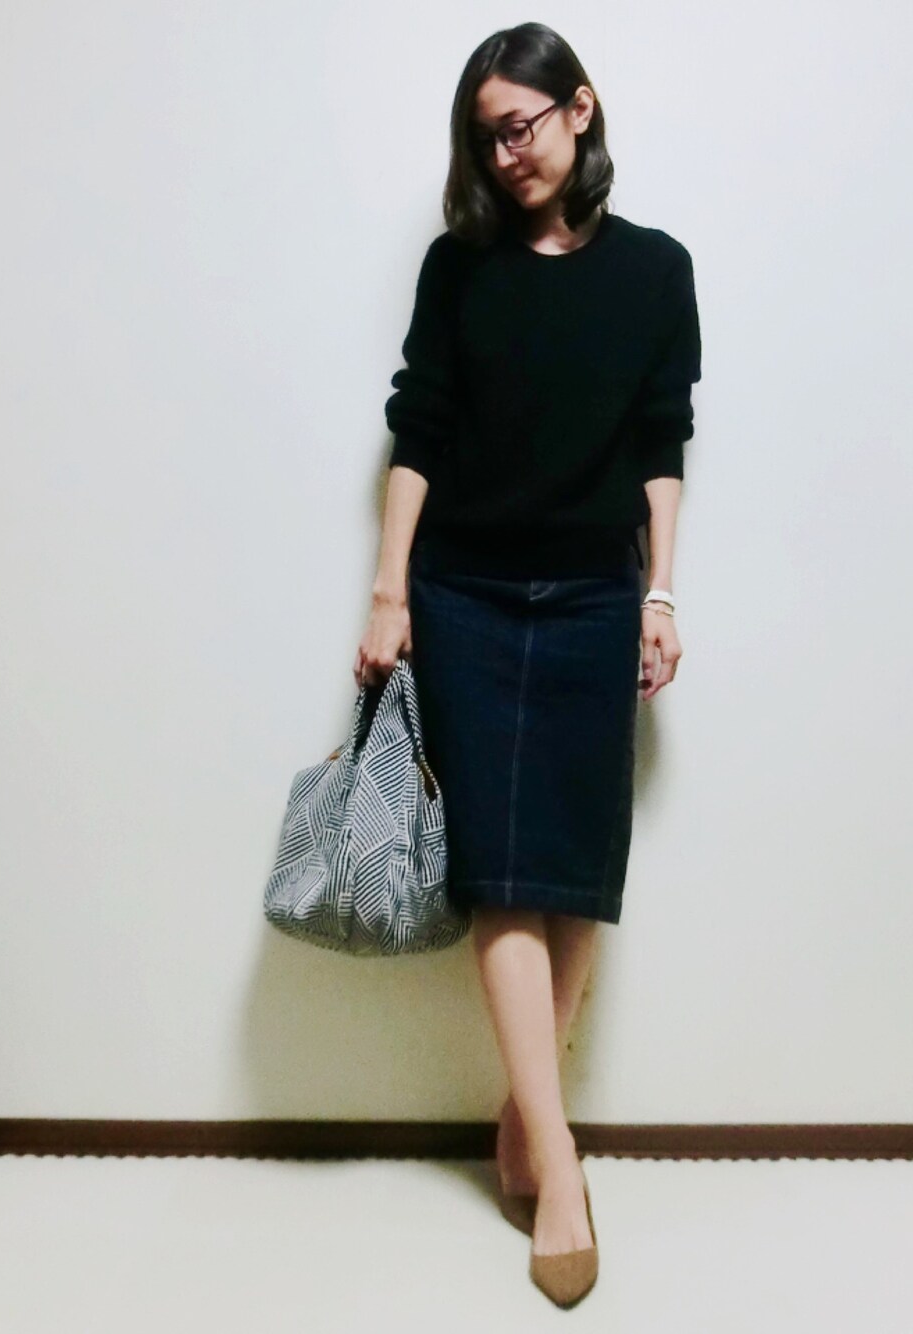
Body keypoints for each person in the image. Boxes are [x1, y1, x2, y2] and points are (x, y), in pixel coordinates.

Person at [353, 21, 701, 1308]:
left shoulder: (656, 269)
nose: (506, 154)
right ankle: (558, 1167)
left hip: (597, 597)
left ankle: (522, 1112)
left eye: (522, 125)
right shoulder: (460, 270)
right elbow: (420, 427)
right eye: (485, 136)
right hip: (468, 598)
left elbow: (661, 440)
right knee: (501, 870)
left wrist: (659, 590)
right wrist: (389, 588)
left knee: (574, 875)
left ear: (579, 109)